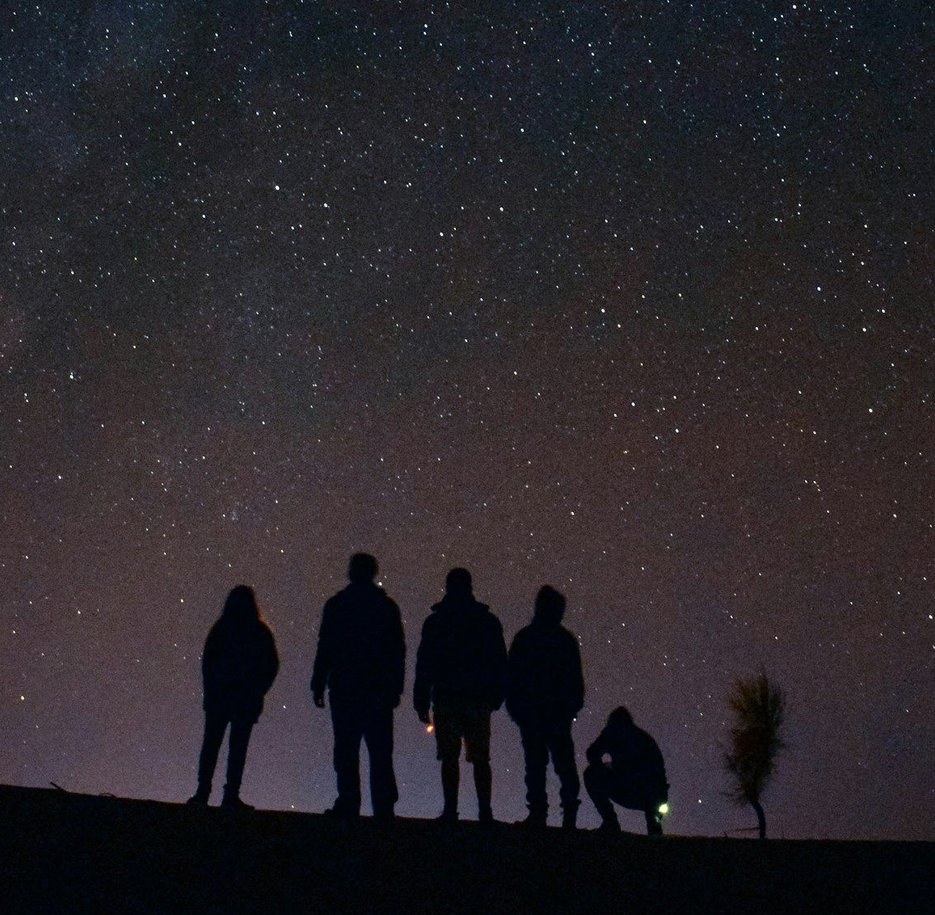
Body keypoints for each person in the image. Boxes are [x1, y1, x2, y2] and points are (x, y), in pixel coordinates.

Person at [311, 553, 405, 821]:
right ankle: (383, 808)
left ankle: (349, 802)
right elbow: (397, 650)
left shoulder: (338, 605)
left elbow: (325, 645)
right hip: (376, 690)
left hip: (346, 688)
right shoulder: (385, 606)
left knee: (346, 749)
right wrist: (395, 686)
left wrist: (319, 681)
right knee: (379, 751)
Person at [413, 568, 508, 824]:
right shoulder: (485, 621)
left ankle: (450, 811)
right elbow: (499, 660)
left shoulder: (437, 622)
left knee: (450, 756)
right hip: (476, 698)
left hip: (448, 697)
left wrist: (421, 699)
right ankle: (484, 813)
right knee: (479, 758)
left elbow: (425, 663)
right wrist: (497, 694)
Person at [188, 585, 279, 810]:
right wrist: (258, 691)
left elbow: (208, 663)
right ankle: (229, 796)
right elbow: (271, 665)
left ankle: (203, 793)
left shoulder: (222, 629)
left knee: (212, 746)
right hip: (244, 701)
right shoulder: (259, 631)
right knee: (236, 749)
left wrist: (211, 691)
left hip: (222, 698)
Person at [506, 585, 584, 829]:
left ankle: (541, 814)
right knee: (557, 766)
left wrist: (516, 709)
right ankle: (565, 814)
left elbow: (512, 677)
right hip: (548, 714)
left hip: (539, 714)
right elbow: (574, 680)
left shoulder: (526, 638)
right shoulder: (563, 641)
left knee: (540, 765)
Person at [583, 706, 669, 835]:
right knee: (652, 801)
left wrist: (602, 768)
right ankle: (654, 831)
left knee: (590, 775)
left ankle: (610, 822)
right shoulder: (643, 737)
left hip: (634, 789)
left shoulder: (612, 733)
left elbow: (592, 753)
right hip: (652, 793)